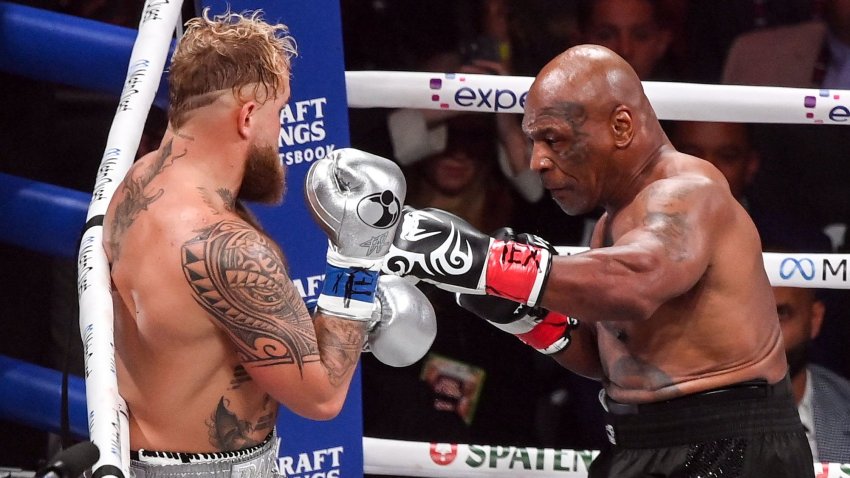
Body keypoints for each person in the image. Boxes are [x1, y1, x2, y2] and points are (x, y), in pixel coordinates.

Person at [382, 44, 815, 477]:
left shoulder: (688, 191)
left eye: (553, 139)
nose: (538, 162)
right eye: (533, 141)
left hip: (730, 448)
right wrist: (529, 318)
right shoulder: (612, 225)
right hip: (640, 443)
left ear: (621, 126)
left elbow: (637, 283)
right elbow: (616, 358)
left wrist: (480, 261)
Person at [102, 9, 422, 477]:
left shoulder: (138, 182)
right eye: (281, 112)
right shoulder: (228, 248)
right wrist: (357, 263)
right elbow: (321, 396)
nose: (280, 133)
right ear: (249, 116)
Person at [770, 266, 850, 463]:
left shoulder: (845, 405)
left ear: (814, 318)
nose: (763, 334)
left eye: (781, 313)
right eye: (750, 314)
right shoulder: (698, 418)